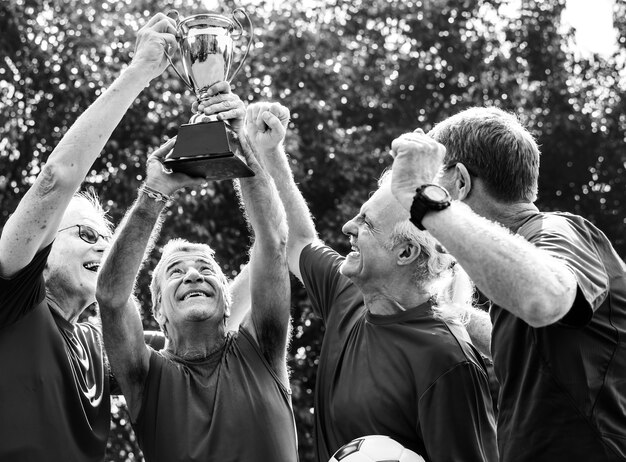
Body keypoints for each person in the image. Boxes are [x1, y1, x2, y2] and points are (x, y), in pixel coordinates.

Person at [248, 102, 497, 461]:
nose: (348, 226)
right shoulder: (346, 290)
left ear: (406, 253)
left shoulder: (447, 360)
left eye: (366, 223)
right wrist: (271, 154)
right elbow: (300, 241)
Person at [389, 107, 626, 461]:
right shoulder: (518, 264)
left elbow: (544, 299)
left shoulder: (558, 231)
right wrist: (446, 310)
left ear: (460, 183)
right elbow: (532, 345)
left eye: (433, 181)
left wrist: (423, 199)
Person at [0, 12, 180, 461]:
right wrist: (139, 72)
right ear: (43, 246)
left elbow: (209, 338)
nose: (104, 245)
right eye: (86, 232)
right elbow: (55, 181)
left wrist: (258, 161)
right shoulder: (12, 298)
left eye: (106, 236)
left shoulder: (98, 344)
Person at [95, 99, 299, 462]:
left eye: (206, 269)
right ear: (157, 308)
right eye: (175, 272)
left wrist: (240, 144)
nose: (192, 274)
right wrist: (154, 194)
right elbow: (111, 297)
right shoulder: (145, 376)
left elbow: (273, 240)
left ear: (227, 296)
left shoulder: (262, 350)